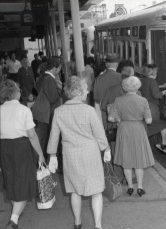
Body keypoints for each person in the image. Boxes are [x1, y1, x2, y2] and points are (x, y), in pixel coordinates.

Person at [47, 76, 111, 229]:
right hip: (90, 154)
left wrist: (52, 155)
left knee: (74, 191)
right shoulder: (88, 110)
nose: (88, 91)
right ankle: (98, 225)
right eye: (85, 89)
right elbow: (99, 133)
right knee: (96, 191)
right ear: (79, 92)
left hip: (70, 155)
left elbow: (54, 135)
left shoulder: (59, 111)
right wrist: (106, 149)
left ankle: (77, 223)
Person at [0, 79, 45, 229]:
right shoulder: (24, 110)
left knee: (12, 181)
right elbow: (32, 135)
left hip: (4, 148)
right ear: (15, 93)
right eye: (19, 90)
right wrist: (40, 154)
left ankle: (15, 215)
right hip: (21, 147)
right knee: (25, 182)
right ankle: (13, 220)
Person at [109, 76, 154, 197]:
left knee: (126, 159)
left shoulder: (118, 100)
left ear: (125, 87)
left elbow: (110, 118)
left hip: (124, 129)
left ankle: (129, 187)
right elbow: (149, 121)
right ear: (138, 86)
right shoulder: (143, 100)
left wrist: (119, 119)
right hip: (138, 130)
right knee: (139, 159)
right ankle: (139, 187)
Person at [31, 57, 63, 159]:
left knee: (42, 139)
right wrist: (60, 90)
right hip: (46, 114)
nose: (60, 71)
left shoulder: (43, 77)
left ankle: (41, 162)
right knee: (44, 140)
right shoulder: (49, 79)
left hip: (42, 113)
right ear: (55, 68)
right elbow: (53, 98)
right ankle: (42, 163)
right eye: (59, 69)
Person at [140, 64, 166, 148]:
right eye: (156, 71)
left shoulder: (142, 80)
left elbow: (148, 87)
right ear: (153, 73)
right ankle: (164, 142)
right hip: (152, 108)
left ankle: (145, 143)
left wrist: (161, 86)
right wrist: (164, 92)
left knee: (147, 125)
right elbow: (156, 95)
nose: (157, 73)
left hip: (143, 107)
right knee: (163, 123)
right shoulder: (153, 81)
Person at [93, 53, 121, 129]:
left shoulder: (98, 79)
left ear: (106, 64)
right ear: (117, 65)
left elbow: (96, 98)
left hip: (105, 113)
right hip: (120, 112)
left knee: (108, 133)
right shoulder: (122, 78)